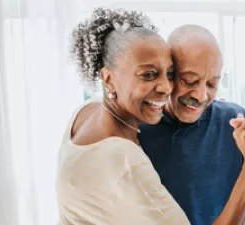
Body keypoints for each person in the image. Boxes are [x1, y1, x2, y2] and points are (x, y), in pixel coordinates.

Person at [139, 25, 245, 225]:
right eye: (189, 81)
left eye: (212, 84)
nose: (201, 96)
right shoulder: (137, 131)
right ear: (168, 73)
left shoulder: (234, 121)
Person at [55, 8, 190, 224]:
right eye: (149, 75)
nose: (166, 87)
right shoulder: (124, 158)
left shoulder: (84, 113)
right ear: (108, 79)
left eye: (170, 74)